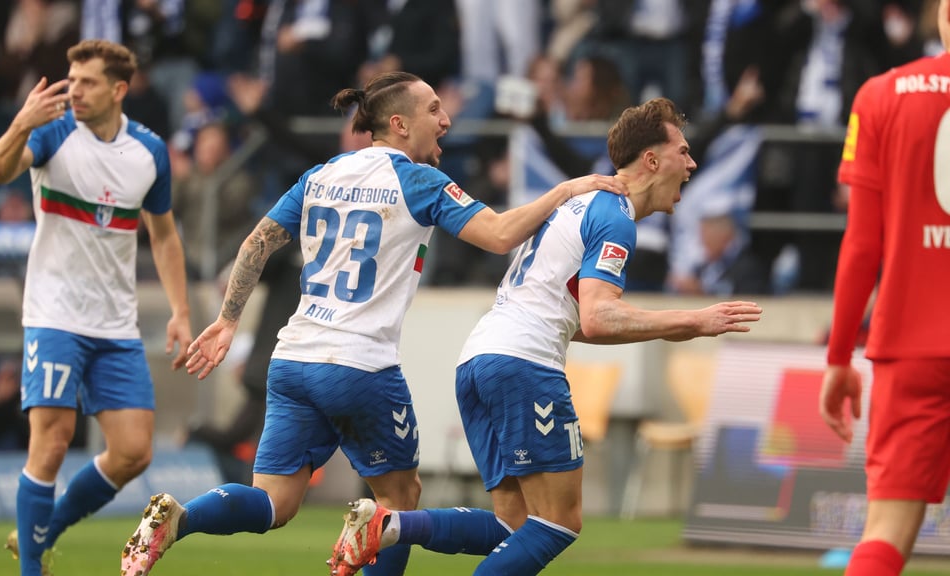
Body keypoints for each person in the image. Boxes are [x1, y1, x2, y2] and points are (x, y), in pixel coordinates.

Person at [119, 70, 626, 576]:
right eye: (433, 110)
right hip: (360, 364)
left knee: (273, 502)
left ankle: (181, 519)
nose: (446, 120)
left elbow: (256, 242)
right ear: (400, 125)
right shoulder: (419, 180)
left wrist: (229, 320)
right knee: (398, 502)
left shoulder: (321, 174)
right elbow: (498, 235)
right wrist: (565, 190)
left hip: (294, 359)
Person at [328, 97, 764, 576]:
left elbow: (576, 321)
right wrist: (692, 321)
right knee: (560, 522)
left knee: (512, 527)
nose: (692, 163)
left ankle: (389, 527)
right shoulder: (614, 216)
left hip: (478, 360)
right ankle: (389, 528)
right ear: (652, 160)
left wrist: (670, 329)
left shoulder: (578, 207)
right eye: (684, 151)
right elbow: (600, 317)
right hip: (524, 365)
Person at [0, 39, 192, 576]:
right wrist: (20, 124)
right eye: (71, 80)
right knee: (51, 443)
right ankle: (33, 567)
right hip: (54, 315)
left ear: (119, 90)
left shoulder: (148, 151)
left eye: (87, 82)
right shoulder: (54, 132)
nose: (74, 90)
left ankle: (42, 531)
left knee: (133, 452)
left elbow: (164, 236)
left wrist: (180, 310)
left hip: (115, 324)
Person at [819, 1, 950, 575]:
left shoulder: (880, 95)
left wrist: (839, 355)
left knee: (887, 532)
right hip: (911, 344)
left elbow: (861, 246)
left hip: (910, 345)